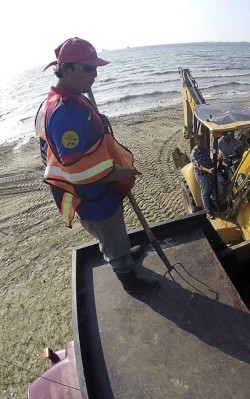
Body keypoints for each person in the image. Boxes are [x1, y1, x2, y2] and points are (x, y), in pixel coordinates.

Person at [35, 37, 159, 294]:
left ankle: (122, 252)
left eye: (96, 68)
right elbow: (77, 170)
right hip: (93, 197)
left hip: (103, 190)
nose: (95, 75)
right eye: (88, 68)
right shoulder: (65, 113)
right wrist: (120, 173)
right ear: (66, 69)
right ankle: (130, 281)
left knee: (116, 233)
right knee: (110, 236)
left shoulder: (70, 98)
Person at [190, 135, 215, 219]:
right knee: (205, 192)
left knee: (214, 187)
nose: (203, 143)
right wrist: (208, 170)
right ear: (196, 142)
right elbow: (199, 166)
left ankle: (214, 203)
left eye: (203, 141)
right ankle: (208, 211)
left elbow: (209, 159)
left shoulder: (205, 149)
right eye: (201, 142)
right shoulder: (194, 152)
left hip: (209, 171)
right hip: (201, 174)